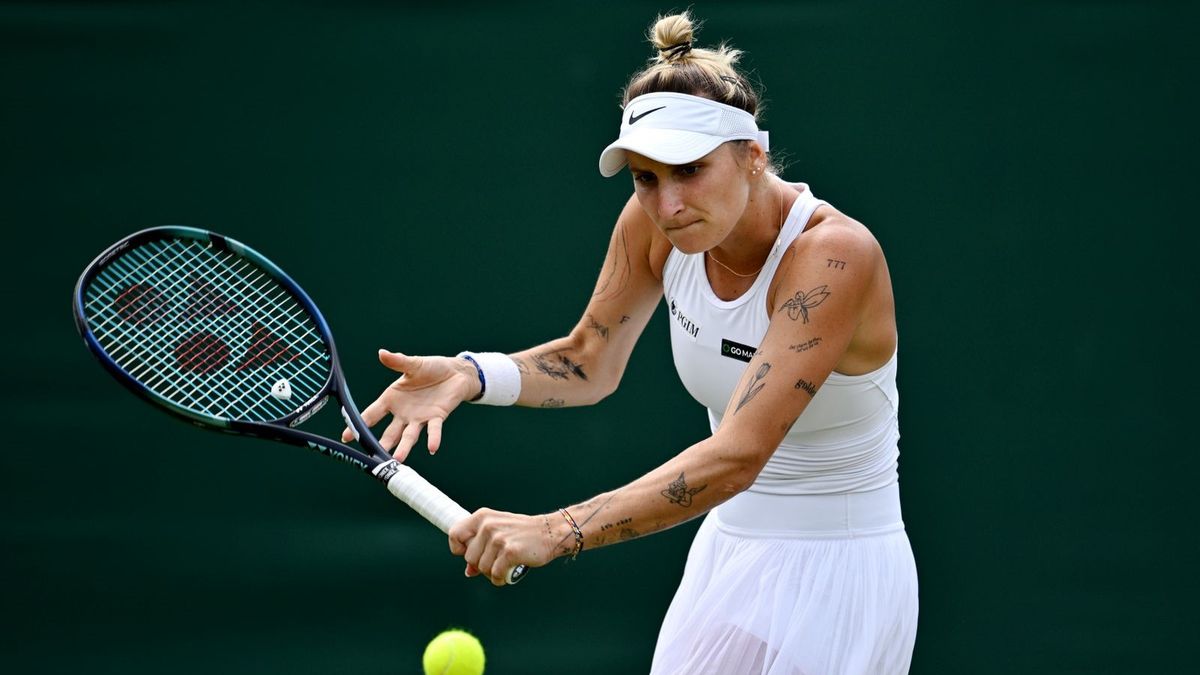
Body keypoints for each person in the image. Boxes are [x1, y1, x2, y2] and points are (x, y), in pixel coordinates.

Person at [344, 11, 917, 675]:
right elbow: (590, 360)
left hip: (841, 575)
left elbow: (737, 456)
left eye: (690, 170)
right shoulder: (656, 227)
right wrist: (475, 374)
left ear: (753, 157)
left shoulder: (834, 257)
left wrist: (554, 530)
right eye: (646, 177)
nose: (667, 204)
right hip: (728, 557)